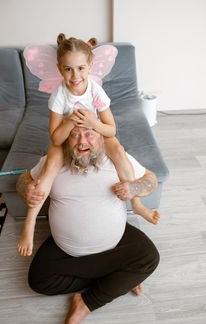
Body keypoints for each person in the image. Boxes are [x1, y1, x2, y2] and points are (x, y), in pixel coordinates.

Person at [17, 33, 160, 257]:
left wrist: (94, 123)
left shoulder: (94, 90)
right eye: (68, 69)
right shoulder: (59, 95)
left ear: (90, 65)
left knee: (119, 151)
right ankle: (30, 222)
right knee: (50, 165)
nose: (75, 76)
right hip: (66, 137)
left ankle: (138, 204)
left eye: (81, 68)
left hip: (96, 132)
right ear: (59, 68)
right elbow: (55, 137)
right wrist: (70, 120)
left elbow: (111, 129)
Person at [16, 126, 160, 324]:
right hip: (65, 246)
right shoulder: (53, 162)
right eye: (74, 134)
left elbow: (151, 179)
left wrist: (135, 188)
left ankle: (86, 302)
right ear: (66, 138)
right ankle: (119, 278)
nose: (82, 141)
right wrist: (26, 189)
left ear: (101, 137)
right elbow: (23, 179)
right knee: (38, 281)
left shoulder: (117, 159)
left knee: (150, 258)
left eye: (89, 134)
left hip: (116, 241)